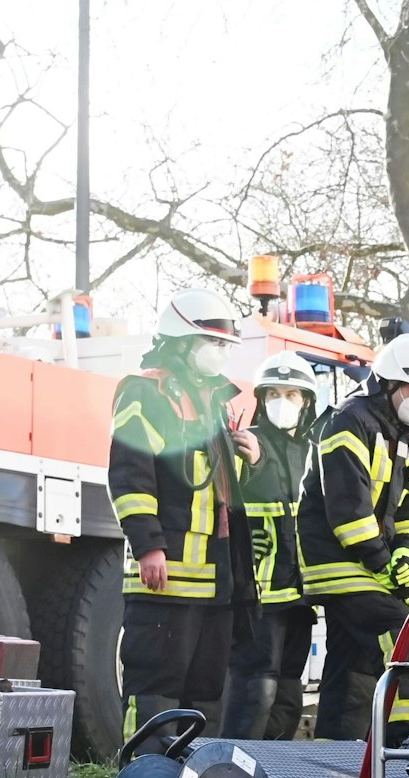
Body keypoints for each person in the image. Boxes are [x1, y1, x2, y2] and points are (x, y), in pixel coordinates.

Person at [110, 287, 261, 750]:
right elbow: (130, 474)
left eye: (225, 345)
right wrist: (149, 545)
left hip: (216, 584)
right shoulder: (144, 392)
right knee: (155, 686)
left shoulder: (215, 406)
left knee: (204, 694)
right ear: (180, 341)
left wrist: (252, 459)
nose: (221, 353)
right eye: (212, 342)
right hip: (167, 577)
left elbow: (219, 493)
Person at [296, 332, 409, 741]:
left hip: (371, 564)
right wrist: (384, 563)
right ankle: (405, 744)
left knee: (354, 667)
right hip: (339, 563)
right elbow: (348, 511)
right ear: (391, 383)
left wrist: (407, 555)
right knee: (402, 632)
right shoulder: (348, 421)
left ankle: (331, 757)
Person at [221, 351, 321, 740]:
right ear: (261, 400)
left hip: (300, 595)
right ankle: (230, 770)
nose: (283, 402)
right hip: (259, 594)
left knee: (289, 693)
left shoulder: (313, 451)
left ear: (307, 402)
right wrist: (255, 463)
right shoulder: (246, 443)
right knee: (255, 688)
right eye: (274, 394)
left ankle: (273, 776)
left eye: (292, 394)